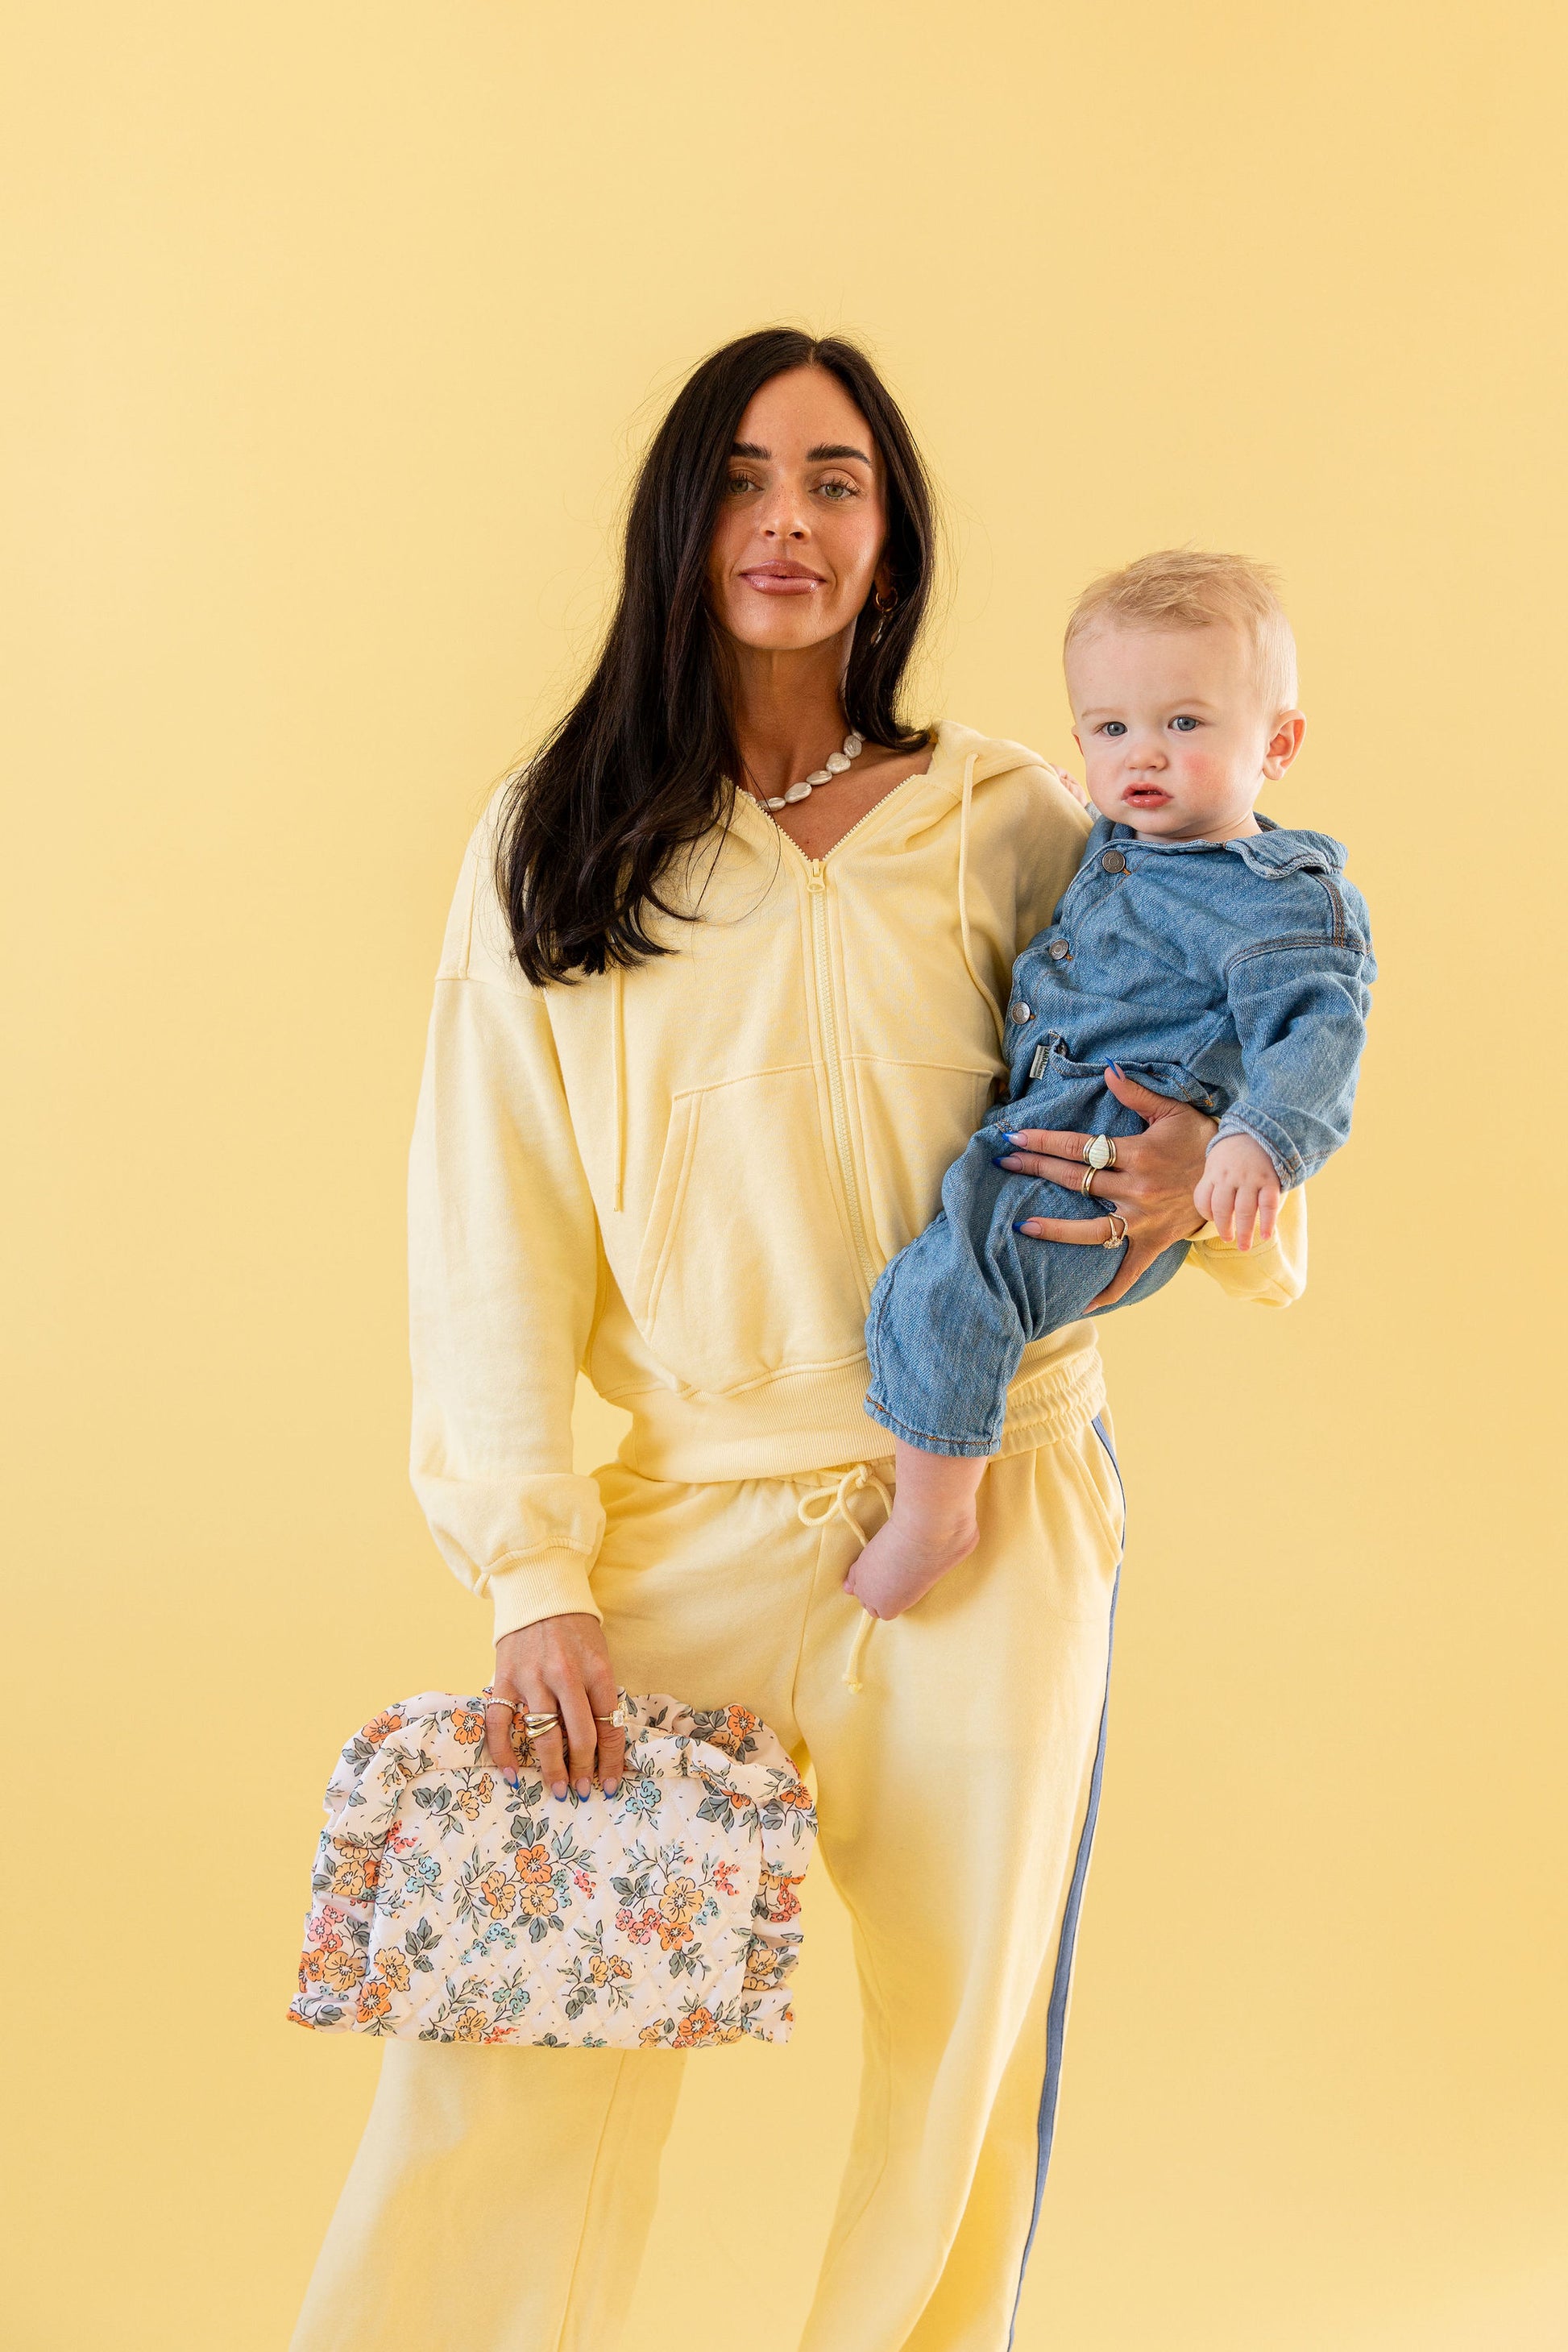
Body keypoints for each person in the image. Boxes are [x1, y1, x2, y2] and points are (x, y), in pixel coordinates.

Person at [290, 329, 1307, 2352]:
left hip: (1001, 1497)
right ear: (685, 519)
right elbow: (483, 1221)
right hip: (693, 1514)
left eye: (837, 480)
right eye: (748, 476)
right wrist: (531, 1571)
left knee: (963, 2078)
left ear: (888, 533)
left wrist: (1217, 1166)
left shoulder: (1020, 815)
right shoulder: (555, 839)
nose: (790, 519)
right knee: (511, 2048)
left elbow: (1206, 1037)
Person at [847, 550, 1373, 1622]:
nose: (1144, 756)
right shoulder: (1117, 841)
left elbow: (1317, 1033)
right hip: (1043, 1121)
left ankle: (935, 1512)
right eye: (1109, 728)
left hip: (1104, 1147)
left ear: (1276, 744)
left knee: (946, 1289)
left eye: (1186, 724)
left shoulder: (1277, 901)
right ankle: (934, 1468)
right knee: (921, 1284)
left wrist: (1250, 1144)